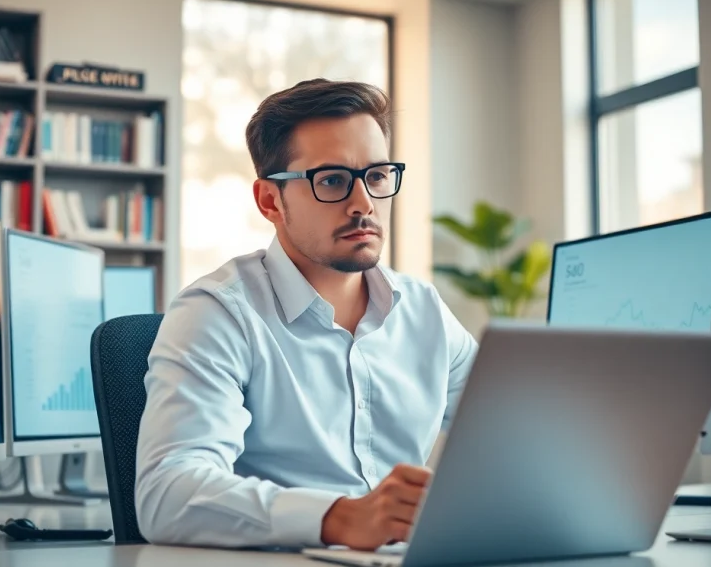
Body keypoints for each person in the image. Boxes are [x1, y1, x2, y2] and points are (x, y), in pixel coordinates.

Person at [135, 78, 478, 551]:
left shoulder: (425, 312)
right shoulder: (217, 313)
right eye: (332, 180)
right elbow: (167, 495)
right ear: (270, 201)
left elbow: (516, 441)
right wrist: (339, 518)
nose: (364, 204)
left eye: (377, 176)